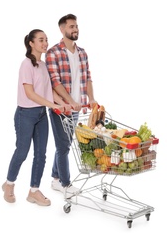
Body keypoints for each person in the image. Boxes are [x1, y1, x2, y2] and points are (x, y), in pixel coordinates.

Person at [2, 29, 65, 206]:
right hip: (26, 114)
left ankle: (34, 191)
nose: (45, 43)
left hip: (41, 115)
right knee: (22, 152)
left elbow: (49, 91)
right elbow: (29, 93)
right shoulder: (26, 65)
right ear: (31, 43)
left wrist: (62, 103)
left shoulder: (43, 65)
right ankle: (9, 184)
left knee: (41, 154)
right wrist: (52, 105)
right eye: (40, 40)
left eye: (46, 40)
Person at [45, 14, 97, 198]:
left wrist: (91, 98)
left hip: (77, 109)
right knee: (63, 146)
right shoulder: (53, 53)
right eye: (71, 27)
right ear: (62, 29)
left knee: (65, 144)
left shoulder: (82, 52)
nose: (75, 29)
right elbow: (55, 82)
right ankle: (65, 184)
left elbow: (87, 78)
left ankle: (56, 178)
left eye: (76, 26)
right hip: (61, 108)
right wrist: (70, 102)